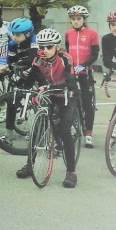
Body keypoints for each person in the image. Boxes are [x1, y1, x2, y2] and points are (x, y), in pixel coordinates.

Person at [15, 29, 80, 188]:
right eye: (42, 47)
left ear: (57, 47)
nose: (44, 50)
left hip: (67, 95)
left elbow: (70, 81)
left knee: (64, 132)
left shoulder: (66, 58)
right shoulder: (38, 60)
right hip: (50, 95)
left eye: (49, 47)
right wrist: (24, 90)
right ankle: (30, 165)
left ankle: (71, 171)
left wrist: (49, 86)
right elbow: (31, 79)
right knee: (37, 129)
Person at [64, 4, 99, 148]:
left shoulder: (92, 34)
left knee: (87, 104)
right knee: (71, 102)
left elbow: (95, 54)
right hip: (72, 73)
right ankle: (73, 126)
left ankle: (89, 133)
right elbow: (67, 51)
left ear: (84, 19)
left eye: (79, 18)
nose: (76, 21)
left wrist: (83, 65)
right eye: (73, 19)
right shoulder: (68, 34)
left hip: (86, 73)